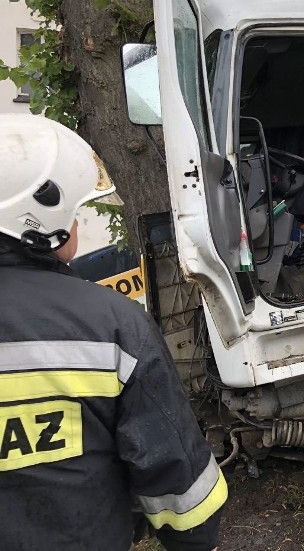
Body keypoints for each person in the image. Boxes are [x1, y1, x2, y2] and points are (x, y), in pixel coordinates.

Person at [0, 114, 226, 551]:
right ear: (38, 219)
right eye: (76, 212)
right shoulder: (112, 326)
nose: (80, 225)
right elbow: (181, 493)